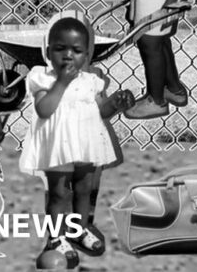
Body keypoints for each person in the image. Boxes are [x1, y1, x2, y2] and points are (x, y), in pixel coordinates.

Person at [19, 15, 133, 268]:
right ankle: (56, 238)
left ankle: (78, 230)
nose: (68, 55)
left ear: (87, 55)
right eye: (60, 49)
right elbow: (44, 110)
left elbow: (101, 110)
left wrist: (116, 103)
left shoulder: (91, 80)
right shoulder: (42, 78)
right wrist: (62, 82)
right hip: (58, 146)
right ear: (48, 52)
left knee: (84, 189)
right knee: (59, 193)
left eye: (77, 50)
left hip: (86, 143)